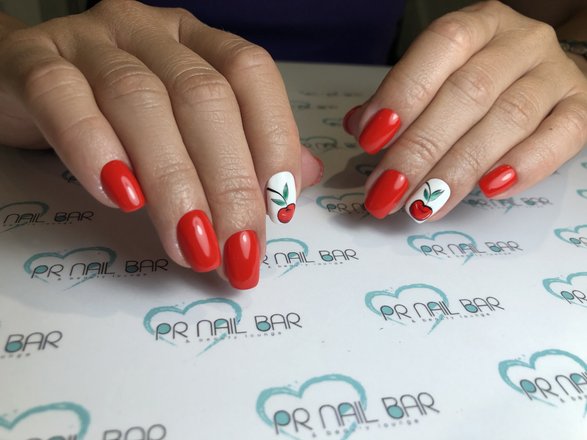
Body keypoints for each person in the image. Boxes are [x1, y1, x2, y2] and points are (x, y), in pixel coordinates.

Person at [0, 0, 585, 289]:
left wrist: (570, 58)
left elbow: (560, 14)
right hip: (120, 90)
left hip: (371, 95)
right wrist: (19, 55)